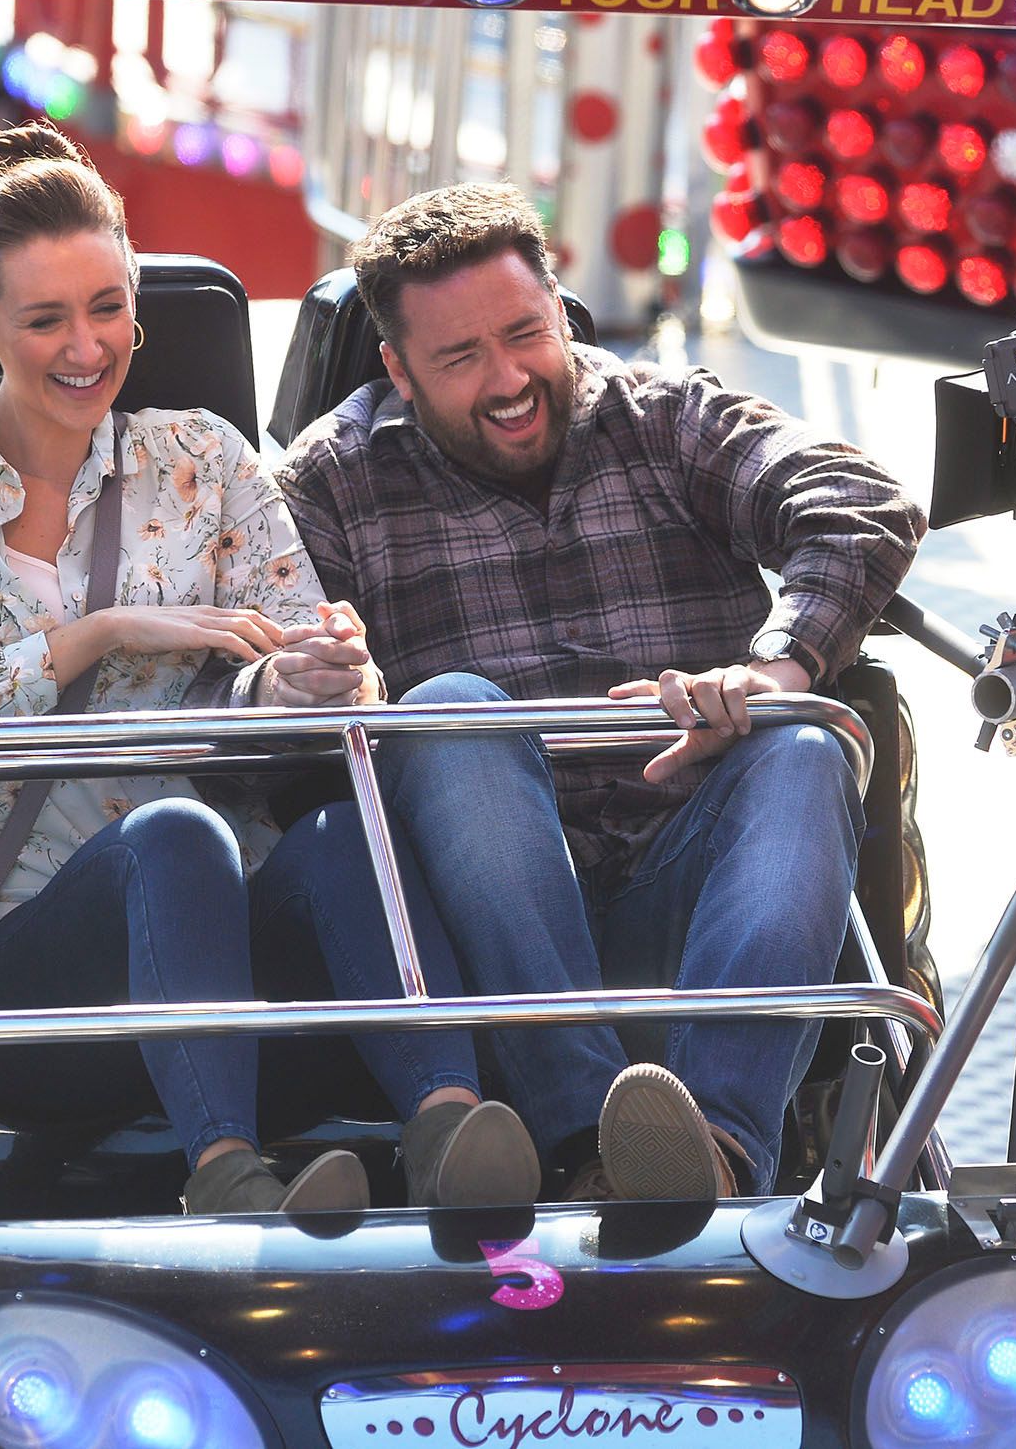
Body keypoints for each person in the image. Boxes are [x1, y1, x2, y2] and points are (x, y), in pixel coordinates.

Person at [0, 124, 538, 1216]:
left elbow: (304, 668)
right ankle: (227, 1174)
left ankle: (451, 1127)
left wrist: (308, 675)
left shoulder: (202, 455)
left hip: (243, 946)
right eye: (46, 319)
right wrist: (97, 633)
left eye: (107, 307)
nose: (86, 347)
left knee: (343, 832)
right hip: (35, 968)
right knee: (172, 835)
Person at [277, 182, 926, 1202]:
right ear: (397, 372)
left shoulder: (665, 418)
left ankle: (707, 1152)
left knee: (803, 745)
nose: (506, 379)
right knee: (448, 705)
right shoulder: (328, 485)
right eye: (459, 358)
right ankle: (584, 1143)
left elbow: (861, 498)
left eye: (524, 334)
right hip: (484, 937)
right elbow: (279, 707)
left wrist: (772, 665)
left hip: (691, 893)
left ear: (559, 309)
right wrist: (315, 681)